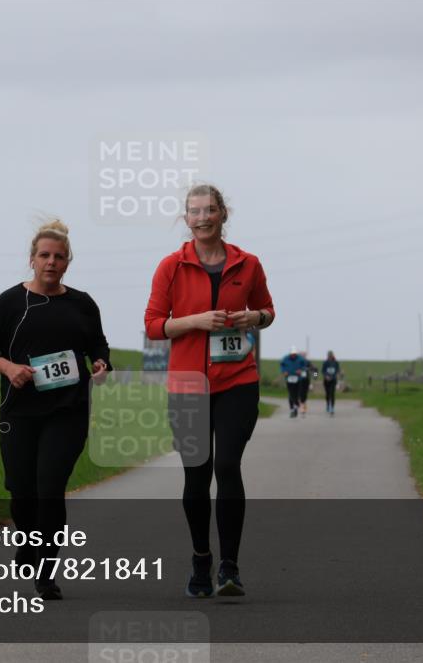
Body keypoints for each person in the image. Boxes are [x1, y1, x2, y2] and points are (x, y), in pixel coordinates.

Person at [145, 184, 275, 598]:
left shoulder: (248, 264)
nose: (202, 218)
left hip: (238, 381)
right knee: (197, 476)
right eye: (195, 212)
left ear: (223, 214)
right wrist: (196, 321)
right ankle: (201, 559)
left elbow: (268, 311)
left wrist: (254, 317)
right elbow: (153, 325)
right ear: (186, 219)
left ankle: (229, 568)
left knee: (228, 466)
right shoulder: (171, 266)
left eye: (210, 210)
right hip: (188, 384)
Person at [0, 219, 112, 600]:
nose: (52, 262)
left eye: (59, 257)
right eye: (45, 255)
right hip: (19, 411)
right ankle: (27, 539)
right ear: (32, 260)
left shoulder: (82, 304)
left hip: (68, 411)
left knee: (50, 489)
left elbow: (98, 345)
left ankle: (46, 572)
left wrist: (101, 364)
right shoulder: (10, 302)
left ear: (68, 262)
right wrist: (9, 368)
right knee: (22, 492)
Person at [279, 347, 308, 419]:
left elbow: (315, 370)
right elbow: (282, 366)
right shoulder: (286, 359)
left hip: (305, 382)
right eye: (302, 354)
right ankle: (299, 409)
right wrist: (284, 371)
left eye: (304, 354)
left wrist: (315, 377)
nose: (303, 355)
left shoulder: (306, 362)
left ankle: (302, 409)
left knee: (303, 396)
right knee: (293, 394)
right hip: (295, 379)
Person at [321, 350, 342, 416]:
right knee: (327, 394)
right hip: (326, 380)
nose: (330, 356)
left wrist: (338, 374)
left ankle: (332, 407)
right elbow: (322, 371)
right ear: (327, 356)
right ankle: (327, 404)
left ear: (333, 355)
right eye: (329, 355)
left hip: (333, 380)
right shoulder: (325, 363)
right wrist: (326, 376)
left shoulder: (336, 362)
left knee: (332, 393)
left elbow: (338, 370)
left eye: (331, 355)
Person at [298, 353, 317, 417]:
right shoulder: (297, 362)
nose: (302, 357)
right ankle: (302, 406)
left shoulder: (308, 362)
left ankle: (304, 404)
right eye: (301, 356)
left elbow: (315, 369)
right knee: (300, 393)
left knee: (305, 393)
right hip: (299, 380)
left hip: (306, 380)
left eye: (304, 356)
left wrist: (315, 377)